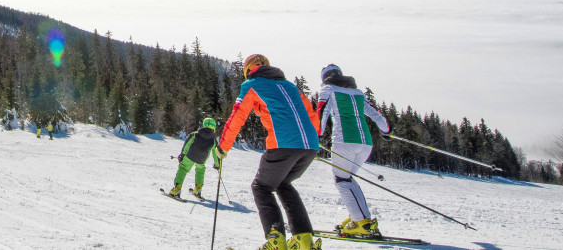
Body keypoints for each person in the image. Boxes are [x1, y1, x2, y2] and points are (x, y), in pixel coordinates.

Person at [218, 54, 322, 250]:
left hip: (283, 143)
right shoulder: (291, 86)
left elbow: (238, 116)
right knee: (283, 184)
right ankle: (304, 239)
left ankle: (276, 241)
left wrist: (223, 146)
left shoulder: (252, 84)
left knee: (261, 187)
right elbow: (311, 114)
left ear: (249, 71)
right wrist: (311, 139)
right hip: (309, 146)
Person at [316, 64, 393, 238]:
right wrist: (387, 131)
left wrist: (317, 135)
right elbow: (376, 114)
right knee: (347, 179)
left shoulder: (328, 90)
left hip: (344, 141)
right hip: (365, 144)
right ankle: (358, 216)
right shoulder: (358, 93)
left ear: (324, 78)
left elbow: (322, 113)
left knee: (342, 180)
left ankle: (361, 222)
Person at [166, 118, 222, 199]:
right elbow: (215, 154)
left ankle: (177, 189)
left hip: (190, 156)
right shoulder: (213, 141)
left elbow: (187, 144)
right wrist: (217, 165)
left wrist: (182, 154)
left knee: (183, 169)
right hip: (202, 159)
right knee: (200, 170)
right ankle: (198, 189)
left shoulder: (195, 134)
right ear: (214, 127)